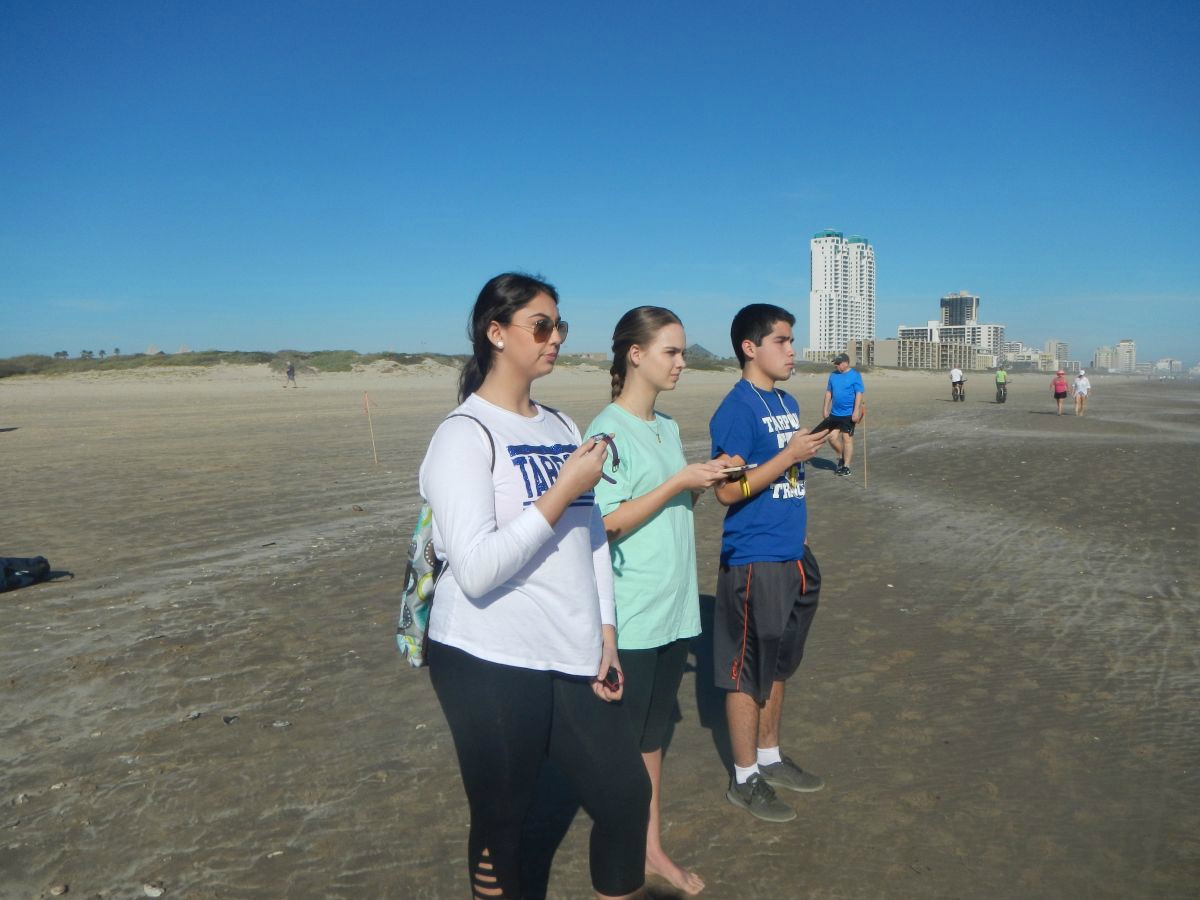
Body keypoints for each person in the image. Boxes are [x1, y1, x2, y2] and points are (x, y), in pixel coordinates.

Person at [419, 273, 650, 900]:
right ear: (496, 333)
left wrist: (606, 630)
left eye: (560, 326)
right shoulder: (464, 435)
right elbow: (477, 568)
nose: (555, 338)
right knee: (503, 826)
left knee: (626, 798)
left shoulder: (561, 424)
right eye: (541, 325)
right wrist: (563, 491)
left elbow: (590, 537)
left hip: (572, 650)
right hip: (485, 657)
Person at [586, 307, 728, 896]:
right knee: (622, 752)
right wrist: (676, 484)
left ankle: (650, 849)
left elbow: (672, 509)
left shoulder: (666, 427)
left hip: (674, 613)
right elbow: (606, 525)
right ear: (634, 355)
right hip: (634, 616)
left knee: (652, 742)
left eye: (683, 352)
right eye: (671, 351)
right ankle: (622, 861)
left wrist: (708, 480)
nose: (681, 362)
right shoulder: (606, 431)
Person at [708, 304, 831, 823]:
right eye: (782, 341)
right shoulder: (736, 408)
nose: (792, 350)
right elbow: (725, 492)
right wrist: (788, 455)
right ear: (750, 348)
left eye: (792, 340)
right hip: (753, 559)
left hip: (792, 554)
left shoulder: (786, 399)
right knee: (745, 673)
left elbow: (785, 474)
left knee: (780, 665)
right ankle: (744, 778)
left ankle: (770, 756)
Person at [820, 352, 864, 476]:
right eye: (836, 364)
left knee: (846, 439)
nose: (837, 366)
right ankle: (841, 456)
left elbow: (859, 394)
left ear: (846, 363)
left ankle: (846, 466)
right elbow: (829, 392)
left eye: (839, 363)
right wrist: (825, 408)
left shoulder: (855, 375)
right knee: (832, 438)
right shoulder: (833, 375)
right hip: (835, 413)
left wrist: (856, 411)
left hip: (849, 414)